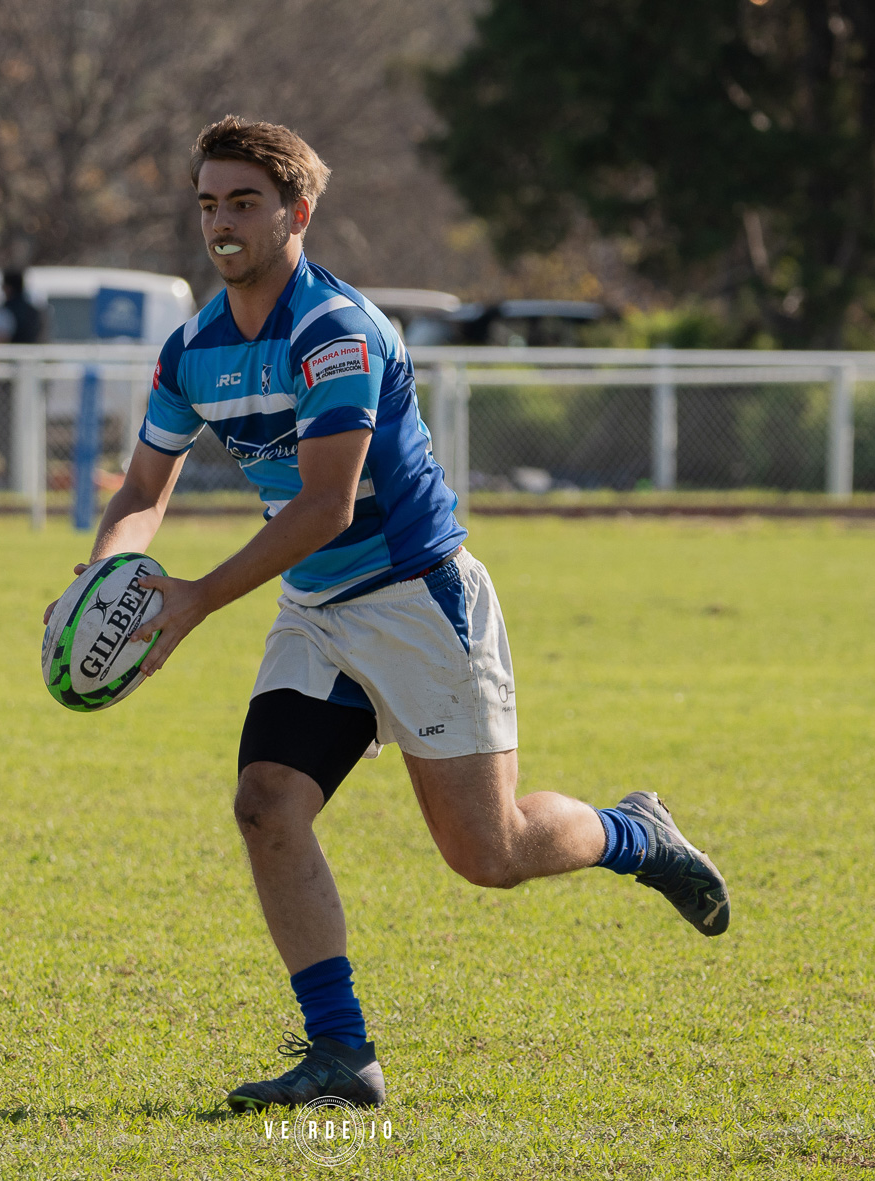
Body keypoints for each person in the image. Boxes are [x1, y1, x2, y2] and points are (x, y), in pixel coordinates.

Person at [44, 117, 730, 1114]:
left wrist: (192, 600)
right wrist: (100, 573)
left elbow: (327, 504)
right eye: (207, 203)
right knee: (265, 802)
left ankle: (634, 832)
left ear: (297, 212)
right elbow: (146, 482)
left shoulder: (337, 332)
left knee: (487, 855)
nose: (221, 224)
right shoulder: (192, 348)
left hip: (416, 601)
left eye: (243, 202)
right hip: (317, 607)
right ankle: (342, 1053)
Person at [0, 268, 43, 488]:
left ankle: (13, 480)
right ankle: (33, 479)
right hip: (37, 381)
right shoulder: (38, 311)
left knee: (9, 431)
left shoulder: (6, 310)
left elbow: (2, 341)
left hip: (11, 381)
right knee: (33, 430)